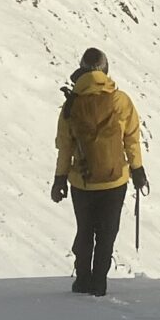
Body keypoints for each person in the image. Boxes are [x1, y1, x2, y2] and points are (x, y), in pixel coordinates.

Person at [50, 47, 147, 294]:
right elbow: (132, 138)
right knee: (107, 233)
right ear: (105, 70)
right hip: (115, 181)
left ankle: (82, 279)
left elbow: (65, 146)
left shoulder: (71, 105)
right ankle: (99, 283)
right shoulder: (119, 100)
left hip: (82, 183)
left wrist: (60, 179)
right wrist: (137, 170)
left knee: (85, 230)